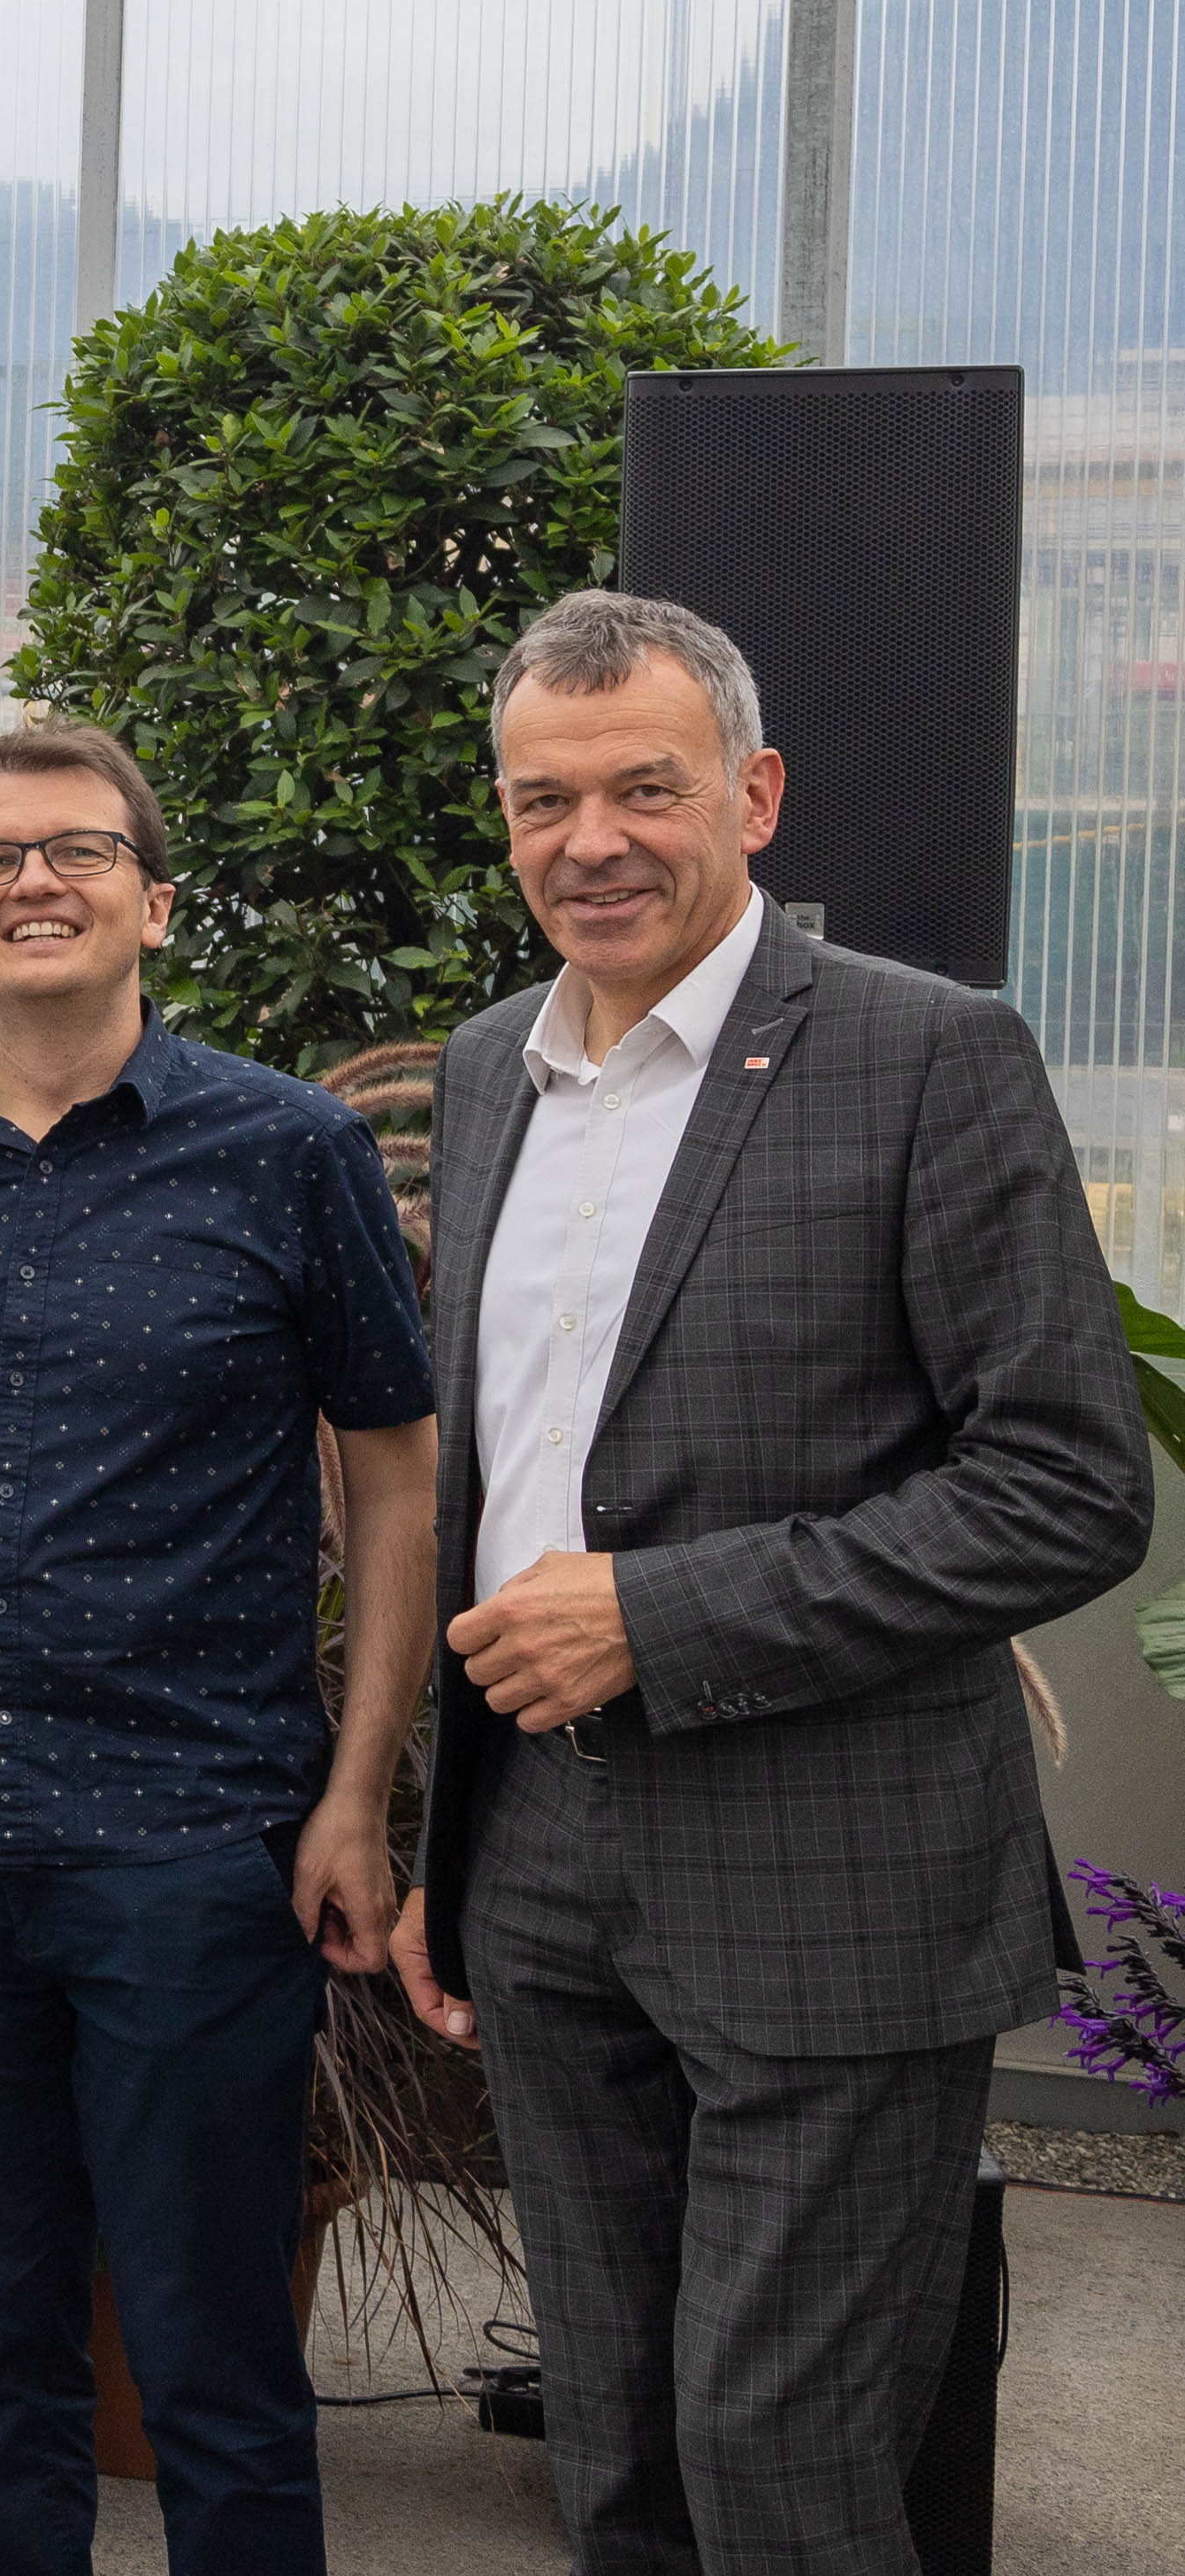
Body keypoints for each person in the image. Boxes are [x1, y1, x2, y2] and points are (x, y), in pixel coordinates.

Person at [391, 590, 1149, 2576]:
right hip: (540, 1850)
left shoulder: (926, 1053)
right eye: (543, 799)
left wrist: (663, 1613)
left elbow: (1066, 1488)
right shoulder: (488, 1072)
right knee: (617, 2444)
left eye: (644, 786)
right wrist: (437, 1841)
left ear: (756, 791)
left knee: (781, 2458)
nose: (593, 838)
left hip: (837, 1861)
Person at [0, 719, 438, 2576]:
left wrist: (354, 1789)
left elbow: (394, 1483)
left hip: (185, 1850)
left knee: (213, 2361)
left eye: (74, 848)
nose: (32, 880)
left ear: (154, 895)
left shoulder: (286, 1149)